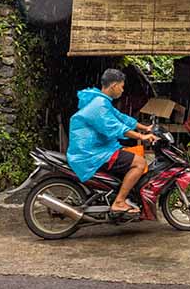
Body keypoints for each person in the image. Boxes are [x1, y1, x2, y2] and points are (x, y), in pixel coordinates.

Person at [67, 68, 157, 215]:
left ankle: (121, 194)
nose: (122, 90)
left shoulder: (100, 100)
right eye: (122, 86)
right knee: (140, 163)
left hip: (98, 148)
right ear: (114, 85)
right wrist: (142, 137)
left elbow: (121, 118)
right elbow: (115, 127)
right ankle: (119, 202)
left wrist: (145, 128)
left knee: (129, 155)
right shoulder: (99, 106)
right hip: (92, 152)